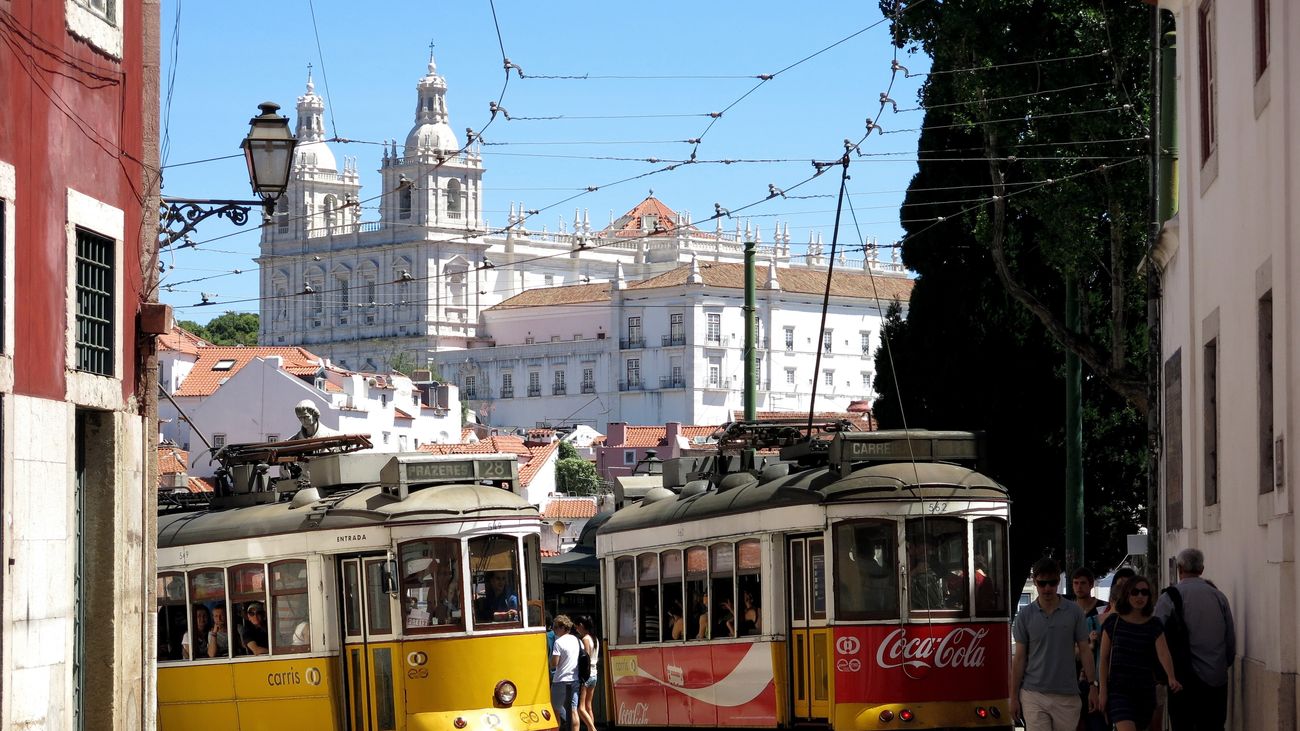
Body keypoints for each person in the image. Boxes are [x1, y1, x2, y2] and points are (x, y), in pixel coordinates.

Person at [1011, 557, 1098, 730]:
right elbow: (1019, 659)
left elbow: (1085, 651)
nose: (1047, 588)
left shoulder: (1074, 612)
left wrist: (1092, 686)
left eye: (1052, 582)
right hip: (1033, 694)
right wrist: (1013, 697)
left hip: (1067, 695)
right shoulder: (1025, 615)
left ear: (1058, 581)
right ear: (1035, 582)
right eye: (1042, 583)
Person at [1154, 548, 1235, 731]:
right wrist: (1223, 664)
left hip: (1181, 680)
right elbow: (1229, 639)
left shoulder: (1169, 598)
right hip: (1215, 679)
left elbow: (1155, 634)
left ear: (1179, 568)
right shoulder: (1218, 596)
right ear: (1202, 569)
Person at [1098, 575, 1182, 731]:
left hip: (1144, 691)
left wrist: (1171, 677)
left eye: (1144, 592)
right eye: (1135, 592)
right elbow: (1103, 659)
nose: (1140, 596)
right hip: (1118, 691)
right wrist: (1103, 690)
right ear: (1126, 595)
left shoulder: (1154, 624)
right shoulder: (1113, 622)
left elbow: (1163, 653)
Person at [1069, 567, 1108, 731]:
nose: (1079, 587)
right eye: (1075, 583)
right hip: (1072, 677)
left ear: (1091, 585)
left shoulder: (1104, 609)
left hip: (1097, 675)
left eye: (1083, 583)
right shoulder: (1068, 610)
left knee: (1096, 722)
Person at [550, 615, 581, 731]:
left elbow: (555, 663)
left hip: (560, 680)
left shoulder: (559, 642)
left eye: (556, 627)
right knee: (573, 710)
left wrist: (550, 661)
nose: (554, 630)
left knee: (555, 709)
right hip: (574, 679)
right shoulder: (577, 641)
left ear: (563, 627)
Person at [574, 615, 601, 731]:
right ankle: (592, 728)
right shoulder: (595, 639)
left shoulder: (585, 639)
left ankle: (592, 728)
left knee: (580, 708)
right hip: (594, 674)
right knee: (588, 706)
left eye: (576, 627)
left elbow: (586, 658)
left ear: (581, 626)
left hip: (587, 675)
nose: (576, 630)